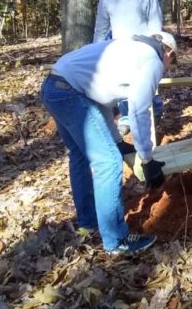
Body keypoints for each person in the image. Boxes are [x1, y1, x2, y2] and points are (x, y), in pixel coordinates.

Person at [40, 32, 176, 254]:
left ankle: (88, 222)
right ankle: (117, 240)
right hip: (70, 93)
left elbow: (97, 96)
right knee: (109, 162)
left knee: (80, 155)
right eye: (173, 61)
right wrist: (148, 159)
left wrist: (118, 141)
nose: (169, 67)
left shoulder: (128, 47)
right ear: (168, 52)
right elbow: (139, 111)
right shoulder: (152, 60)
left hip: (53, 86)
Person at [93, 0, 165, 129]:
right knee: (123, 86)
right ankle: (127, 119)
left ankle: (155, 114)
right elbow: (102, 24)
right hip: (119, 49)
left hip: (143, 49)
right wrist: (96, 49)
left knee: (147, 86)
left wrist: (155, 48)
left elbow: (155, 23)